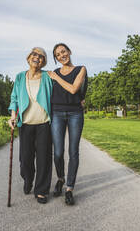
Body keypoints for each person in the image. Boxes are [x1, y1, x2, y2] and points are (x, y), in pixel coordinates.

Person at [8, 47, 53, 204]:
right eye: (34, 54)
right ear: (28, 58)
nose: (37, 57)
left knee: (44, 159)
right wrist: (13, 116)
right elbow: (14, 98)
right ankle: (28, 179)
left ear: (44, 61)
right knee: (25, 159)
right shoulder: (20, 77)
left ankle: (41, 190)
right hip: (25, 124)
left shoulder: (48, 76)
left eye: (41, 56)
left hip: (44, 124)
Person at [47, 43, 87, 206]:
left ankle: (69, 189)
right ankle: (61, 179)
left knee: (73, 151)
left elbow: (73, 89)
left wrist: (56, 77)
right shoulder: (53, 73)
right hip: (57, 113)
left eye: (63, 51)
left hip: (75, 113)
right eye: (57, 54)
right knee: (57, 153)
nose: (61, 55)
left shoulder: (80, 69)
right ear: (56, 58)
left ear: (69, 52)